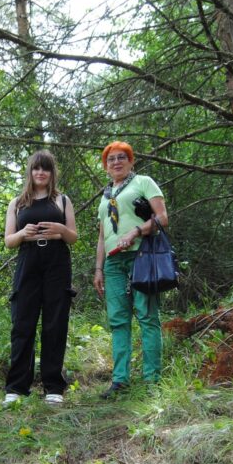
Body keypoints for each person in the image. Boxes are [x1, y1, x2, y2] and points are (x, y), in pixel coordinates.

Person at [92, 141, 169, 398]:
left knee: (147, 316)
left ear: (131, 161)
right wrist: (98, 269)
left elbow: (162, 217)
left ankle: (151, 381)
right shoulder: (105, 197)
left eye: (122, 157)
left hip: (142, 256)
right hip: (113, 263)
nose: (116, 162)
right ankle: (120, 381)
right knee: (118, 320)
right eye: (111, 159)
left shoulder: (143, 182)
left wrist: (136, 230)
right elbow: (103, 236)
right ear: (106, 166)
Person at [2, 150, 78, 406]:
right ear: (30, 172)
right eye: (36, 168)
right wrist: (23, 232)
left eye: (45, 169)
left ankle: (53, 386)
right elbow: (8, 241)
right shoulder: (17, 203)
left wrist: (60, 230)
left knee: (55, 324)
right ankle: (16, 388)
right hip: (28, 262)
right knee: (22, 323)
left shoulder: (63, 201)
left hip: (57, 263)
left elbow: (73, 237)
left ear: (51, 173)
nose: (40, 173)